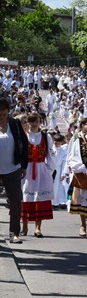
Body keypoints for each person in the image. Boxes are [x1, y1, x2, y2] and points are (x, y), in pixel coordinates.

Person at [20, 112, 55, 237]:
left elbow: (50, 155)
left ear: (40, 122)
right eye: (31, 121)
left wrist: (49, 170)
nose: (34, 124)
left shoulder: (46, 137)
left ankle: (37, 228)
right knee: (25, 197)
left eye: (36, 121)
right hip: (26, 169)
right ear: (28, 122)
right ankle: (24, 227)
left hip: (41, 169)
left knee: (39, 198)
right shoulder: (24, 136)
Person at [0, 97, 29, 244]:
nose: (2, 117)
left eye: (4, 114)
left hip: (13, 168)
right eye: (0, 114)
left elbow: (23, 144)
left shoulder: (14, 123)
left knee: (16, 201)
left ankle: (14, 233)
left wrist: (24, 165)